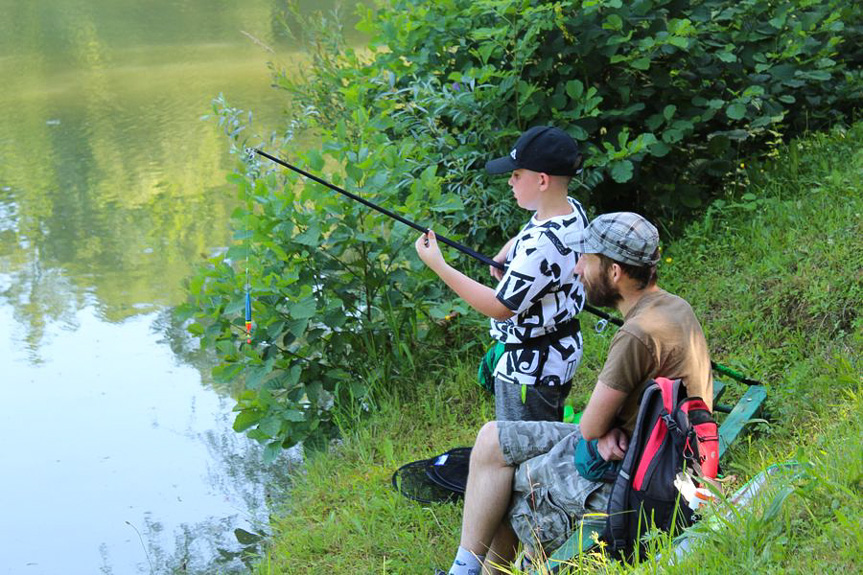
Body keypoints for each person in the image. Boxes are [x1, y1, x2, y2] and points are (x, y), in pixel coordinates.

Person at [435, 212, 714, 575]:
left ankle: (483, 572)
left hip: (637, 474)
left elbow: (590, 426)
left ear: (614, 271)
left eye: (587, 259)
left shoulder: (637, 334)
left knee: (511, 482)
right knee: (491, 438)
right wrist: (602, 433)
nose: (577, 269)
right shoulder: (674, 305)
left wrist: (600, 434)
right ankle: (464, 570)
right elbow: (597, 427)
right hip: (645, 445)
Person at [415, 126, 589, 422]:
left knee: (525, 446)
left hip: (529, 371)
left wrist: (440, 266)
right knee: (547, 425)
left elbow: (500, 308)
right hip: (559, 354)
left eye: (516, 174)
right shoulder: (571, 210)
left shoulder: (541, 247)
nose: (510, 181)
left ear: (542, 180)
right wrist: (508, 252)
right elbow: (536, 234)